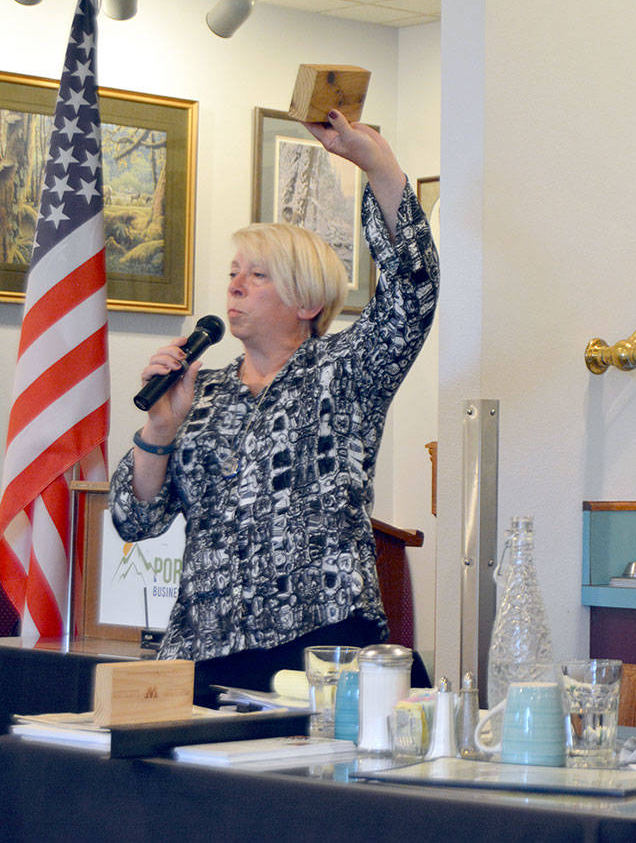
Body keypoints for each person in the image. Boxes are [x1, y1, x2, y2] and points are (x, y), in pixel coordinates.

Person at [108, 110, 437, 700]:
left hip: (322, 647)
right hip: (208, 650)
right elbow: (136, 520)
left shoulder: (344, 372)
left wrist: (380, 167)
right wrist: (160, 427)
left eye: (257, 275)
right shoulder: (197, 391)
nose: (234, 286)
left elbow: (412, 293)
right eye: (234, 273)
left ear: (307, 301)